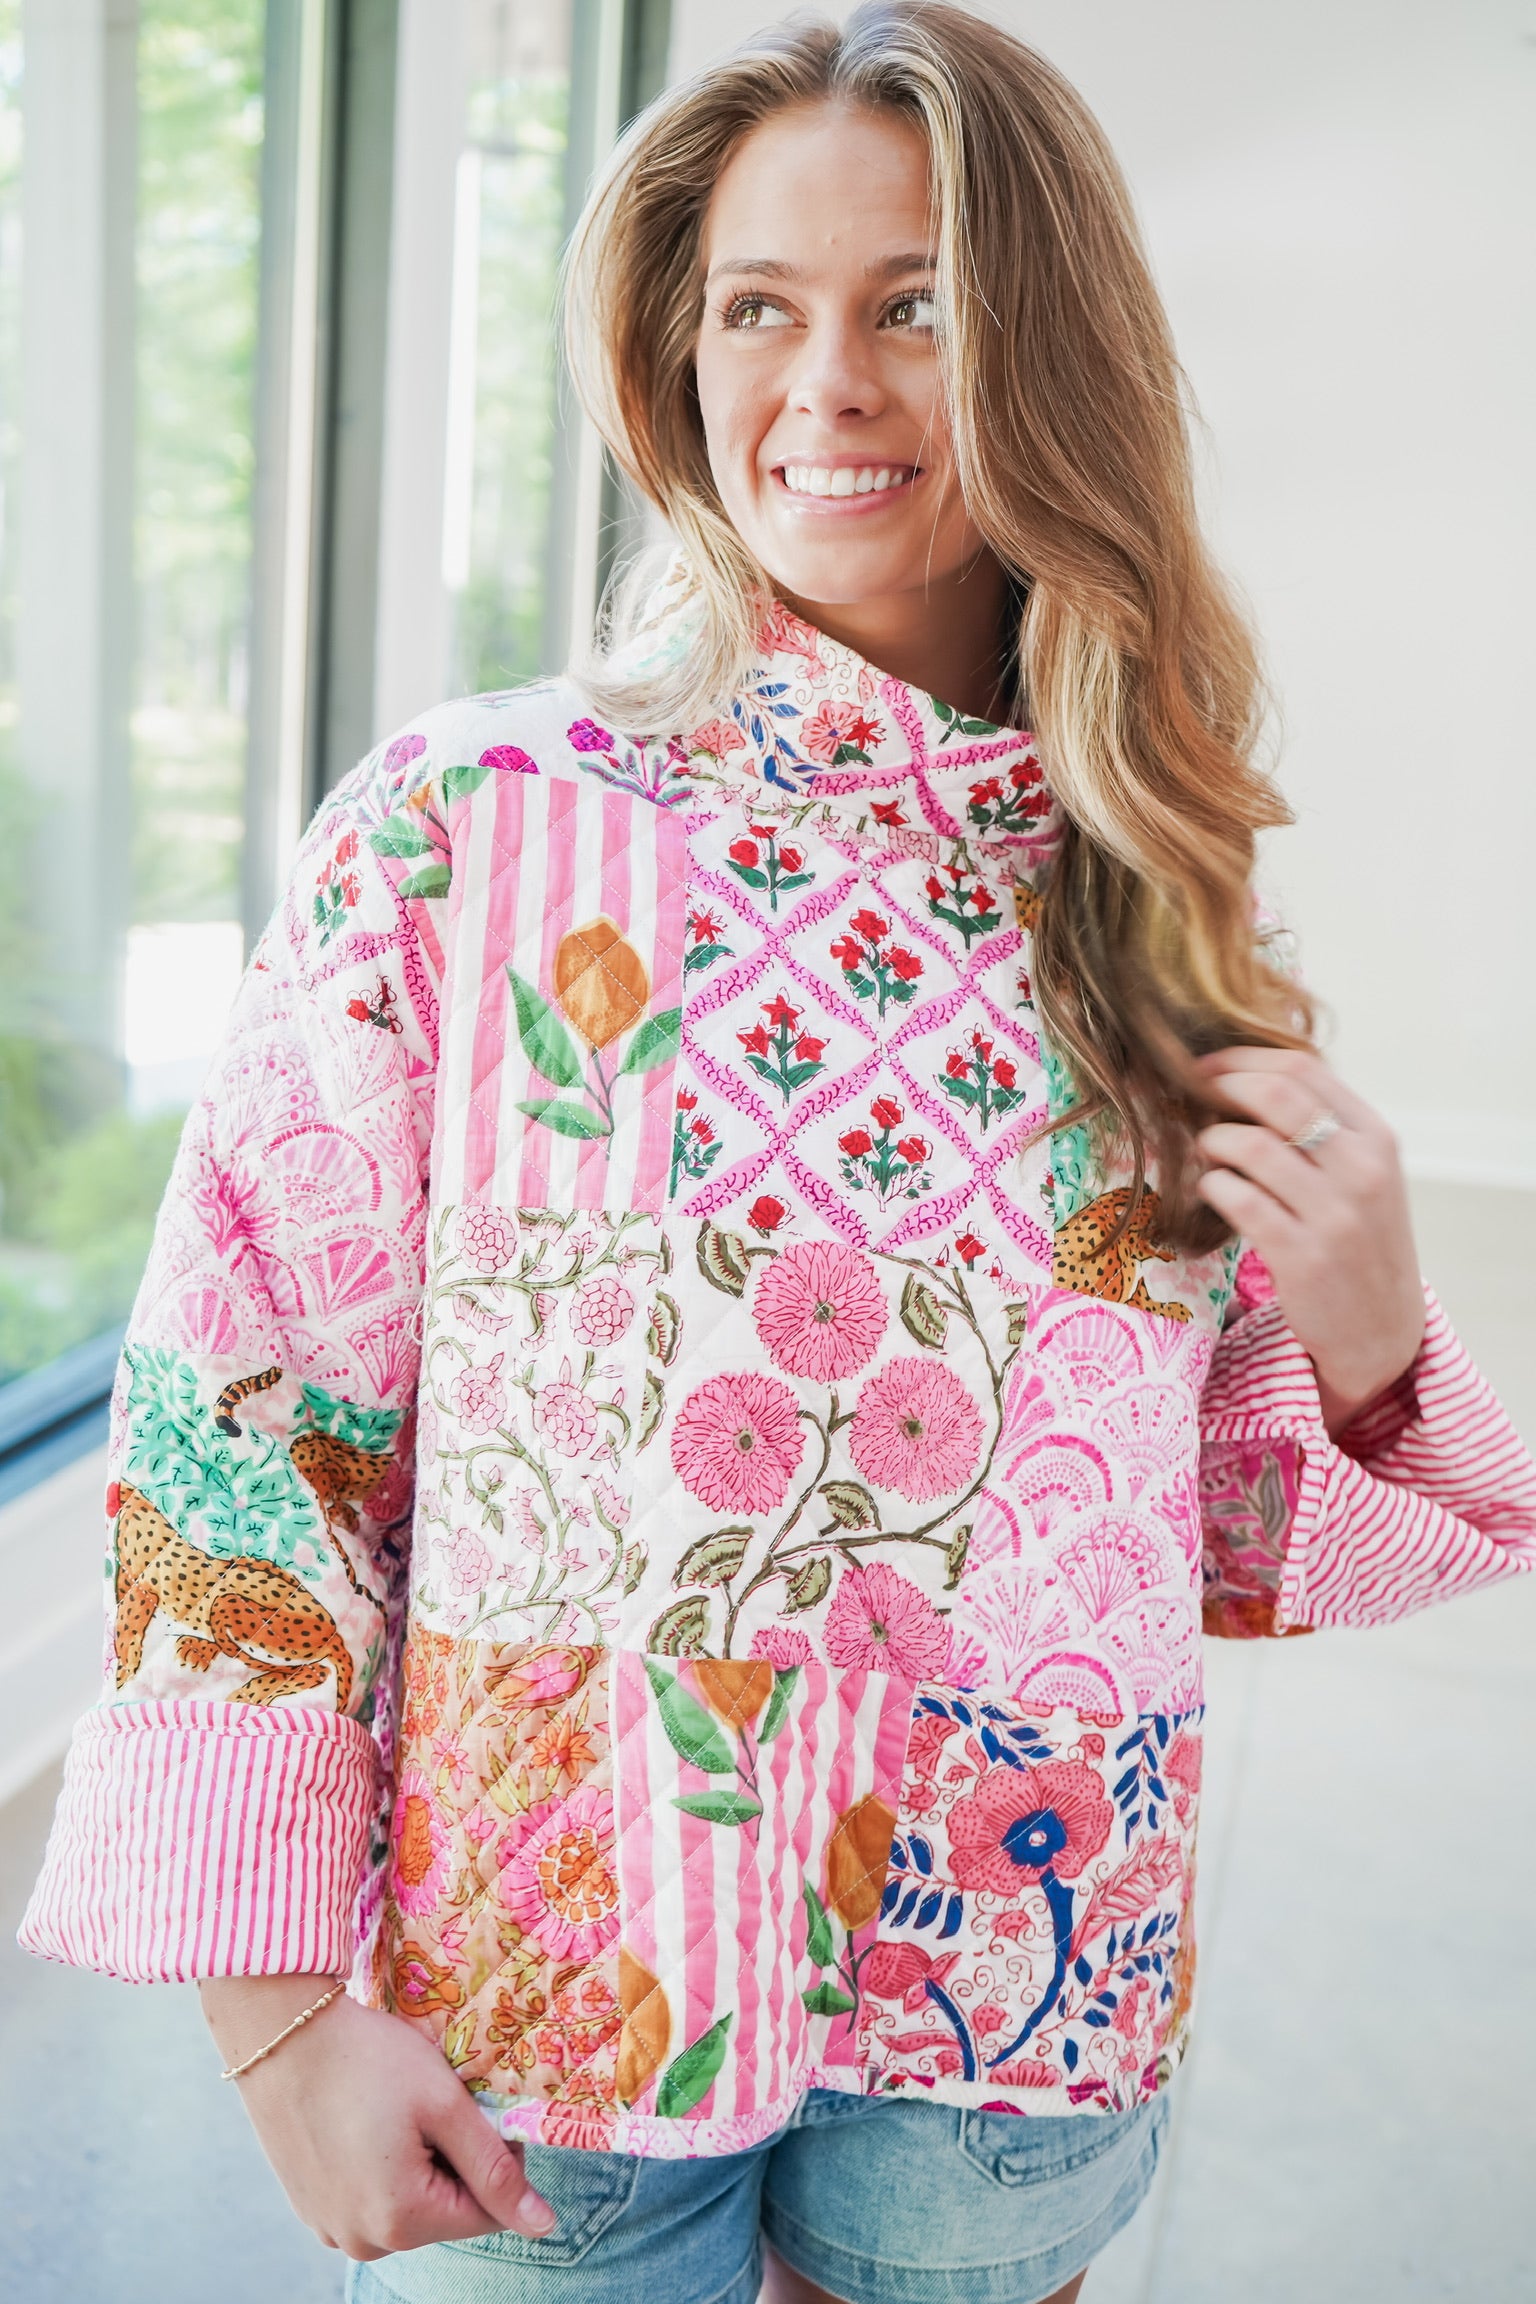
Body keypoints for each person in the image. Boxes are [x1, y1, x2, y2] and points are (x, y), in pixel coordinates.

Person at [21, 7, 1536, 2302]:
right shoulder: (469, 829)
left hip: (1019, 1991)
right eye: (758, 306)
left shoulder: (1152, 889)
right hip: (550, 1966)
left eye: (915, 303)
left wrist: (1367, 1340)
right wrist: (279, 2016)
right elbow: (246, 1423)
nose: (826, 383)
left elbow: (1188, 1532)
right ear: (677, 350)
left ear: (1050, 354)